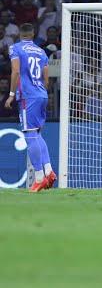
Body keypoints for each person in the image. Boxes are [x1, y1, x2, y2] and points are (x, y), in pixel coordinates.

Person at [4, 23, 56, 192]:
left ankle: (39, 177)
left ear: (20, 34)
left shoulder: (15, 48)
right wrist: (41, 90)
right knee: (37, 133)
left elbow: (16, 71)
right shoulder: (41, 51)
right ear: (33, 34)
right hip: (41, 94)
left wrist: (11, 94)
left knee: (29, 134)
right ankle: (49, 171)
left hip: (28, 95)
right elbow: (46, 77)